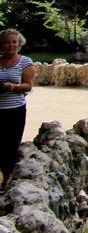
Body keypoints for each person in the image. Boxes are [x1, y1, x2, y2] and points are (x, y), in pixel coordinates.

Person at [0, 28, 36, 184]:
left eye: (14, 42)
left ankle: (6, 179)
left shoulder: (25, 62)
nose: (11, 45)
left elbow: (28, 85)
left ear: (19, 44)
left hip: (14, 111)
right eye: (7, 42)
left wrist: (13, 87)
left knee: (10, 146)